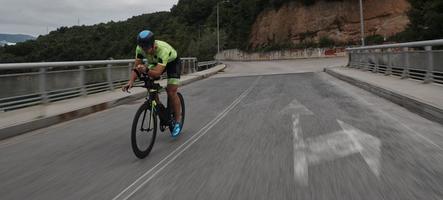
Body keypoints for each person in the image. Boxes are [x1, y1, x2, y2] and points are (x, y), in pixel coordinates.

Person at [122, 30, 182, 137]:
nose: (144, 51)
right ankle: (159, 107)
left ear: (153, 44)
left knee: (171, 91)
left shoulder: (162, 50)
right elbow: (136, 68)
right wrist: (130, 81)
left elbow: (158, 73)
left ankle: (177, 121)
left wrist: (145, 69)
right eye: (142, 48)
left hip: (172, 63)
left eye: (147, 48)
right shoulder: (139, 48)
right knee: (148, 81)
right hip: (156, 62)